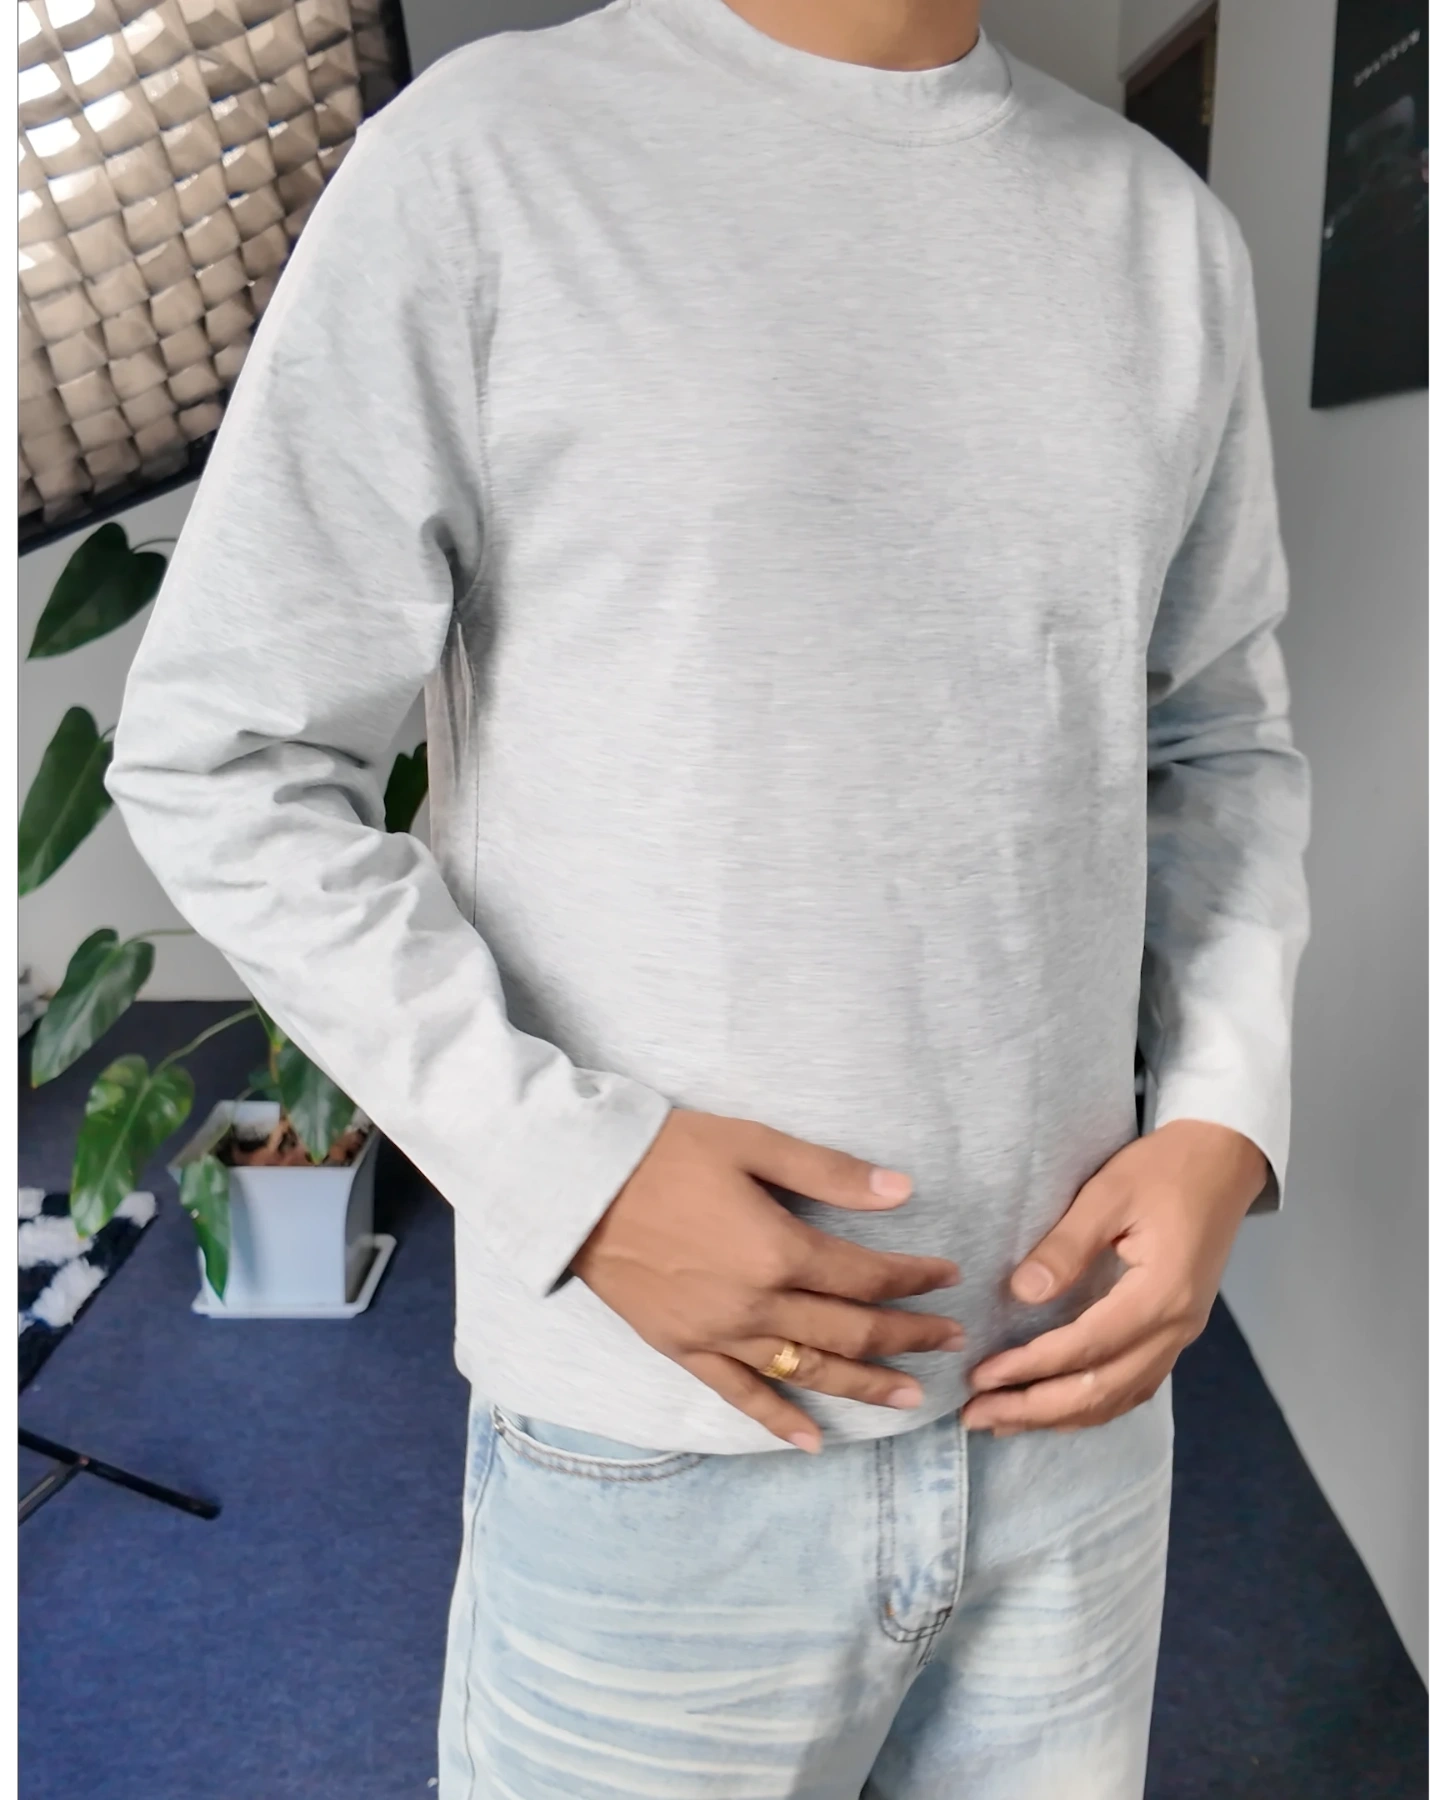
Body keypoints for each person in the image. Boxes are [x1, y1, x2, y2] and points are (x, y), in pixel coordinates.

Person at [108, 0, 1311, 1793]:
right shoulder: (491, 158)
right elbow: (225, 752)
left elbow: (1218, 742)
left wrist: (1223, 1114)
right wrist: (569, 1175)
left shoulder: (1163, 236)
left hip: (1066, 1411)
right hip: (661, 1440)